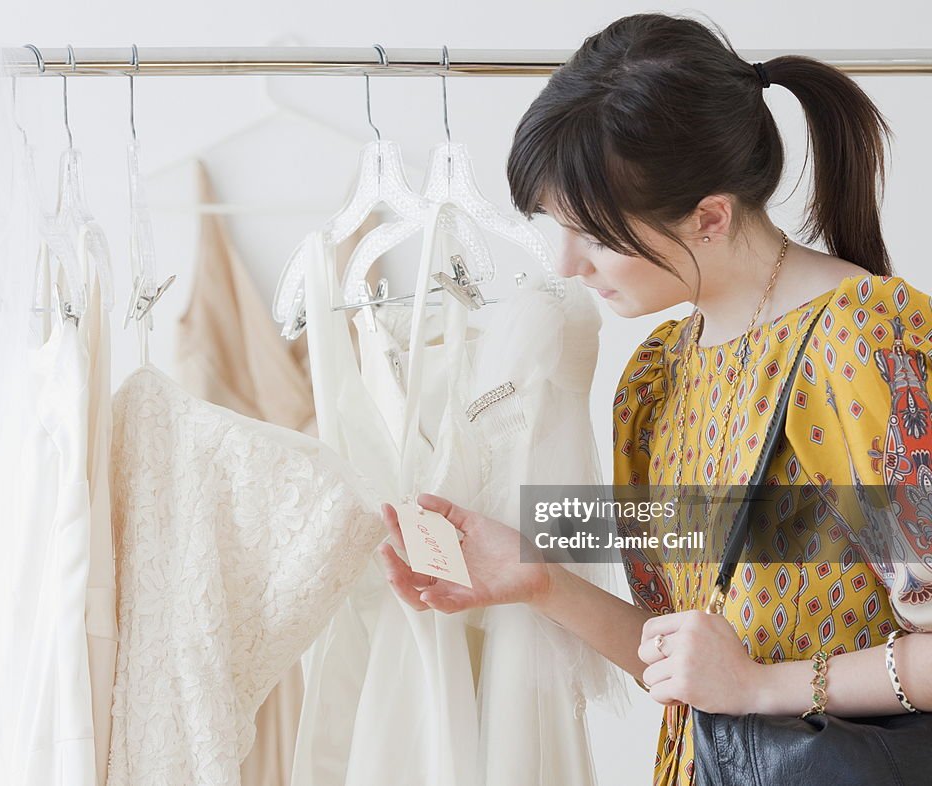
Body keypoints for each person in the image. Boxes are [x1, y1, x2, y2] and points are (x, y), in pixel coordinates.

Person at [377, 12, 932, 786]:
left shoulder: (857, 342)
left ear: (709, 217)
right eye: (555, 227)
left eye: (596, 236)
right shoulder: (657, 375)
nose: (568, 265)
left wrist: (766, 687)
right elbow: (683, 664)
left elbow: (753, 678)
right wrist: (537, 577)